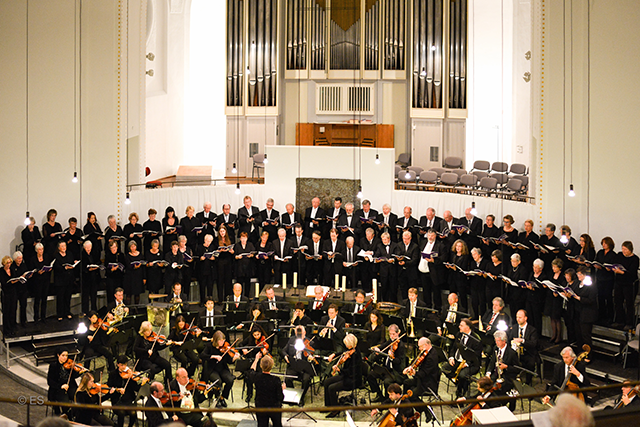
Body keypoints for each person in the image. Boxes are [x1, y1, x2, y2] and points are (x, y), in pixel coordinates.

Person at [324, 333, 363, 418]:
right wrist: (334, 354)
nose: (345, 346)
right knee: (326, 382)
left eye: (346, 344)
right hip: (346, 375)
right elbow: (343, 352)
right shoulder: (351, 349)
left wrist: (339, 370)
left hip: (353, 380)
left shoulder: (356, 356)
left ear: (351, 345)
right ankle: (329, 406)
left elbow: (351, 372)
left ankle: (335, 410)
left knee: (331, 388)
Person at [442, 318, 483, 397]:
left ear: (467, 327)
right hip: (458, 360)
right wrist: (451, 357)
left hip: (471, 364)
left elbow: (477, 357)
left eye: (461, 325)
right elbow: (453, 348)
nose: (459, 327)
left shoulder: (476, 340)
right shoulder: (459, 334)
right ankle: (460, 383)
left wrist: (467, 364)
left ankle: (460, 393)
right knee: (444, 367)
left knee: (462, 375)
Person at [200, 330, 240, 408]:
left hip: (222, 368)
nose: (223, 343)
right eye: (221, 341)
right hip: (211, 369)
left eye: (223, 341)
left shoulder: (225, 348)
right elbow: (202, 355)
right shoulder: (209, 346)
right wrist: (213, 356)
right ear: (216, 340)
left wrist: (234, 358)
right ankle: (216, 398)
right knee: (218, 381)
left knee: (230, 380)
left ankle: (221, 398)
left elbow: (229, 361)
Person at [369, 324, 406, 402]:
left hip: (395, 371)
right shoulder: (390, 341)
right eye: (390, 334)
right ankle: (379, 395)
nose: (392, 336)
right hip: (386, 369)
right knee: (370, 375)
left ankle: (387, 399)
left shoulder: (401, 346)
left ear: (398, 333)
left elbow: (399, 362)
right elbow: (383, 346)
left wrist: (393, 358)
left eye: (393, 334)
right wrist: (378, 350)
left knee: (387, 381)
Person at [281, 325, 317, 405]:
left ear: (305, 333)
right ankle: (293, 396)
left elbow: (316, 355)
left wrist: (311, 358)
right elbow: (283, 350)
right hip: (294, 365)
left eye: (301, 333)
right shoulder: (291, 340)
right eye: (298, 334)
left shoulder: (310, 342)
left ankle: (301, 397)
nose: (300, 335)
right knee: (288, 378)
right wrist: (285, 356)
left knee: (306, 379)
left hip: (305, 367)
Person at [250, 353, 285, 427]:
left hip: (261, 406)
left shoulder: (257, 377)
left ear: (261, 366)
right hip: (274, 407)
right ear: (271, 366)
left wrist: (256, 359)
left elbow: (252, 371)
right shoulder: (276, 380)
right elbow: (280, 397)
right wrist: (281, 388)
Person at [485, 330, 519, 404]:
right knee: (485, 384)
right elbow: (492, 362)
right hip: (496, 374)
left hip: (507, 377)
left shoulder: (512, 353)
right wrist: (488, 373)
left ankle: (496, 404)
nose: (496, 342)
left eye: (498, 341)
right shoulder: (495, 348)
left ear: (504, 341)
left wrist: (506, 367)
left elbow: (517, 369)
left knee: (494, 389)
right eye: (496, 340)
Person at [107, 355, 141, 427]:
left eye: (125, 365)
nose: (124, 367)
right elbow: (109, 386)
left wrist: (142, 383)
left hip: (128, 399)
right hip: (117, 400)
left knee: (133, 413)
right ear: (117, 364)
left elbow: (136, 388)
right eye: (122, 365)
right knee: (121, 412)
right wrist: (118, 390)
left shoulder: (130, 374)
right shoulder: (113, 374)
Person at [569, 266, 598, 348]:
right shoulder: (577, 283)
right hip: (577, 312)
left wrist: (579, 298)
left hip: (587, 313)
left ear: (585, 275)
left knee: (585, 335)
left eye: (580, 274)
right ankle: (580, 351)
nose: (578, 276)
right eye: (577, 274)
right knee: (578, 334)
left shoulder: (591, 284)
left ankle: (588, 354)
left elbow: (591, 300)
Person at [507, 309, 539, 384]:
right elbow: (509, 340)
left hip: (527, 353)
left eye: (520, 317)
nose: (518, 319)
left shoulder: (532, 330)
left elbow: (534, 344)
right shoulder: (514, 328)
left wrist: (522, 341)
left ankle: (528, 382)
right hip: (515, 353)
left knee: (530, 363)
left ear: (525, 318)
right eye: (517, 317)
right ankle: (512, 381)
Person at [613, 241, 639, 330]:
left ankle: (629, 322)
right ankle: (619, 320)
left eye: (625, 249)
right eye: (623, 249)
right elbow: (615, 263)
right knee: (618, 301)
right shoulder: (619, 255)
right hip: (619, 282)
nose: (623, 251)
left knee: (629, 303)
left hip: (629, 283)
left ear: (630, 250)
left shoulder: (635, 259)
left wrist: (622, 272)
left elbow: (632, 272)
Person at [418, 228, 447, 309]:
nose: (430, 237)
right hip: (423, 272)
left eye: (432, 235)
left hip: (434, 272)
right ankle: (427, 308)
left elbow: (444, 257)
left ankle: (437, 309)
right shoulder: (423, 242)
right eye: (429, 235)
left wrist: (434, 260)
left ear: (435, 236)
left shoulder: (440, 245)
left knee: (436, 292)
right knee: (425, 291)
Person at [47, 347, 80, 416]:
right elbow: (50, 381)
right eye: (63, 355)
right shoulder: (53, 366)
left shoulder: (69, 364)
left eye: (66, 355)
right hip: (58, 389)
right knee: (65, 403)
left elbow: (73, 376)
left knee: (78, 396)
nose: (65, 358)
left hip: (70, 386)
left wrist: (80, 372)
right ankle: (67, 416)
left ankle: (76, 415)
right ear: (58, 355)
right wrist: (61, 386)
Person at [544, 258, 566, 344]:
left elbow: (563, 287)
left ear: (559, 268)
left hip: (557, 299)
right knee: (551, 317)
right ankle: (553, 335)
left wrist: (558, 293)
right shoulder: (551, 274)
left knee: (557, 318)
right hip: (550, 298)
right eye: (553, 267)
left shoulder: (562, 277)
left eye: (555, 267)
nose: (553, 269)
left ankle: (558, 336)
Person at [54, 241, 76, 321]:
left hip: (69, 279)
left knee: (67, 297)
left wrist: (74, 264)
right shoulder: (56, 256)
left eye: (65, 246)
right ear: (59, 248)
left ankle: (67, 312)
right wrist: (65, 268)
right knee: (60, 298)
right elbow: (56, 267)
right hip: (60, 280)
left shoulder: (69, 254)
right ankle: (60, 314)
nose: (64, 248)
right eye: (62, 246)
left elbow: (71, 262)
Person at [447, 239, 470, 312]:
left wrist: (455, 269)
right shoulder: (453, 255)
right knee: (452, 294)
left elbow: (464, 267)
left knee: (462, 296)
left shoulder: (465, 256)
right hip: (452, 278)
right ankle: (452, 310)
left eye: (460, 246)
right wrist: (449, 266)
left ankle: (464, 311)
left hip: (461, 279)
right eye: (457, 246)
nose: (458, 248)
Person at [394, 230, 419, 298]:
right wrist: (398, 259)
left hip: (411, 272)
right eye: (404, 238)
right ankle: (405, 304)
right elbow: (398, 254)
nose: (405, 240)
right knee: (403, 289)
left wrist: (405, 262)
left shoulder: (415, 246)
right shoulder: (399, 245)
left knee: (412, 289)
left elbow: (415, 260)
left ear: (410, 238)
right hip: (401, 272)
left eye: (407, 239)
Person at [30, 242, 51, 323]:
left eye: (42, 249)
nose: (41, 251)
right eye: (39, 249)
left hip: (45, 280)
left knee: (44, 299)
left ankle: (43, 317)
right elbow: (32, 269)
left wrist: (48, 269)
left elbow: (49, 265)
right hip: (37, 281)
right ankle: (36, 317)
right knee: (37, 300)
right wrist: (37, 272)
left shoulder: (46, 257)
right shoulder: (33, 259)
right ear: (36, 250)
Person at [375, 232, 398, 302]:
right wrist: (378, 259)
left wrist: (393, 260)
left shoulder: (395, 245)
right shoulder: (379, 246)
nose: (384, 241)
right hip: (384, 271)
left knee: (393, 288)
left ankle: (394, 303)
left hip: (392, 271)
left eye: (385, 240)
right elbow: (377, 255)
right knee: (384, 288)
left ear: (389, 239)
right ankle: (385, 302)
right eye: (382, 240)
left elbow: (397, 255)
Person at [80, 241, 100, 315]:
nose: (88, 249)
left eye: (89, 247)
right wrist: (88, 269)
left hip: (94, 277)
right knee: (85, 296)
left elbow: (97, 262)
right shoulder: (82, 255)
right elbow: (81, 266)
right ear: (84, 248)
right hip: (86, 278)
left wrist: (96, 267)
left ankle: (94, 310)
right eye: (87, 248)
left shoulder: (93, 254)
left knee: (94, 295)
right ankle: (85, 311)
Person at [469, 247, 489, 318]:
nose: (473, 256)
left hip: (482, 285)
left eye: (475, 254)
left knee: (482, 302)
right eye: (472, 255)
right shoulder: (472, 263)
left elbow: (486, 274)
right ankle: (475, 316)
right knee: (474, 302)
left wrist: (483, 274)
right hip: (474, 285)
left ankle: (482, 317)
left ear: (479, 255)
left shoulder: (485, 262)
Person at [215, 224, 234, 298]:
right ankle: (220, 298)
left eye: (223, 231)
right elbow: (215, 252)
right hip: (220, 261)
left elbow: (232, 251)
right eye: (221, 231)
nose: (222, 233)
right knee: (220, 280)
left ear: (226, 231)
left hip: (228, 261)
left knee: (228, 280)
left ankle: (227, 298)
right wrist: (219, 251)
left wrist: (231, 251)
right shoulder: (216, 240)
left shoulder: (230, 239)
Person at [124, 240, 145, 305]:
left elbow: (143, 267)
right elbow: (127, 265)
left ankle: (136, 308)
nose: (133, 248)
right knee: (129, 294)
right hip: (130, 277)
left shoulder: (140, 254)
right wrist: (134, 267)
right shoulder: (127, 256)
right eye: (131, 247)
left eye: (134, 246)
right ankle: (129, 309)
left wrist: (144, 277)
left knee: (137, 294)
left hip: (138, 276)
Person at [11, 251, 29, 327]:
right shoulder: (12, 267)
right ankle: (13, 322)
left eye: (21, 258)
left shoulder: (24, 265)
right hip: (15, 289)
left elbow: (26, 273)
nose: (20, 260)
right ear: (15, 259)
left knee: (23, 305)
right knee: (14, 306)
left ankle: (23, 321)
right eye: (18, 259)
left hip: (23, 288)